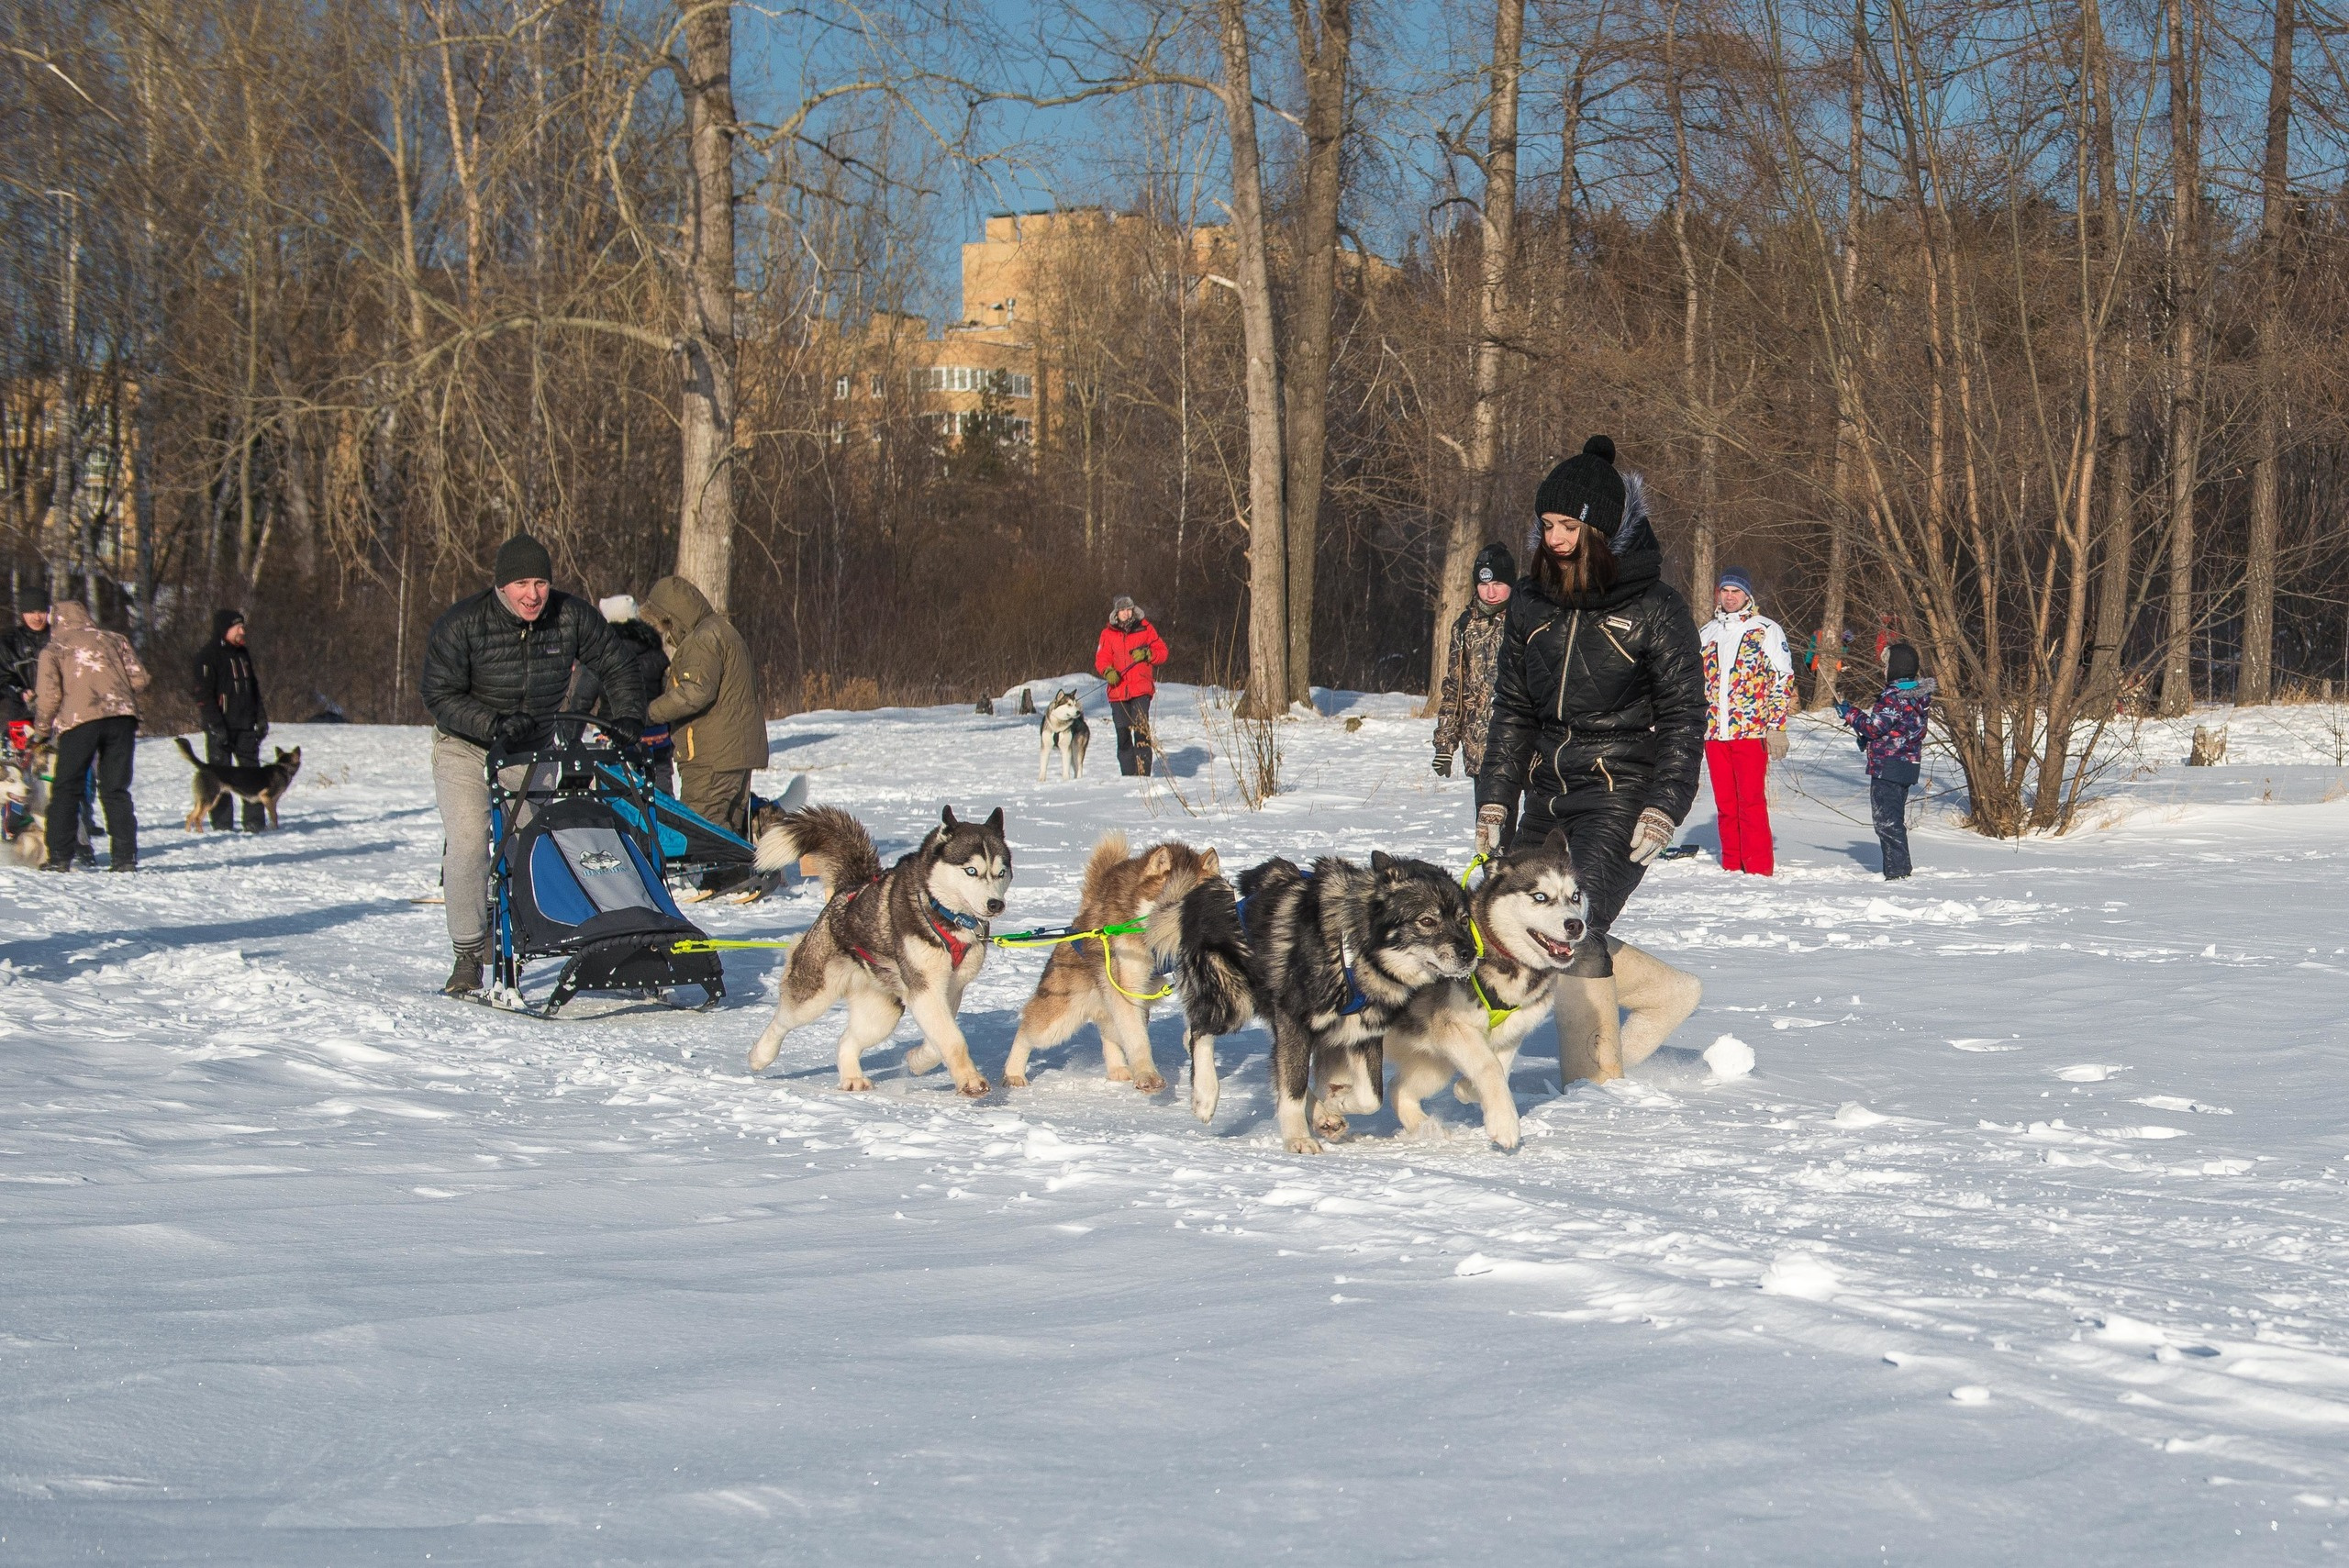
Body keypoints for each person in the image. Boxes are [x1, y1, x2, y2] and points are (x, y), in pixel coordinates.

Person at [1475, 435, 1705, 1082]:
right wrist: (1494, 799)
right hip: (1546, 790)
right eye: (1546, 524)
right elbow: (1513, 710)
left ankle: (1592, 1081)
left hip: (1618, 790)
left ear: (1599, 530)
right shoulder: (1529, 602)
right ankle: (1665, 992)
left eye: (1568, 527)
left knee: (1572, 925)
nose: (1552, 538)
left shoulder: (1655, 608)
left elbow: (1685, 717)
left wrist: (1663, 806)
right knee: (1507, 920)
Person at [420, 533, 645, 996]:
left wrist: (627, 715)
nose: (532, 595)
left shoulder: (570, 616)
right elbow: (438, 694)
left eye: (540, 583)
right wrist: (494, 723)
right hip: (466, 747)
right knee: (469, 842)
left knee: (533, 843)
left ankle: (530, 934)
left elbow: (617, 662)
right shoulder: (463, 623)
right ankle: (468, 952)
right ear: (502, 585)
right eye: (521, 584)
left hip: (530, 749)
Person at [638, 574, 766, 841]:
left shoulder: (702, 638)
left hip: (711, 757)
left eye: (664, 624)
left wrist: (649, 713)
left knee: (703, 832)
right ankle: (738, 867)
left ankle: (726, 870)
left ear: (673, 617)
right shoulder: (722, 631)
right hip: (734, 752)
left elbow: (695, 692)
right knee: (727, 832)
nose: (666, 633)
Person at [33, 601, 149, 872]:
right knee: (115, 788)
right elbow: (140, 679)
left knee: (67, 787)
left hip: (79, 720)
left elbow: (49, 696)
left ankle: (59, 856)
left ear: (55, 621)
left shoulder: (55, 648)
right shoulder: (115, 639)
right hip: (122, 718)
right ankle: (125, 857)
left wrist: (41, 731)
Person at [1698, 568, 1796, 876]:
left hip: (1751, 731)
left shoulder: (1766, 629)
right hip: (1715, 732)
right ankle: (1731, 865)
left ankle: (1758, 868)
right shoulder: (1706, 632)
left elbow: (1782, 678)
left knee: (1750, 801)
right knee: (1726, 804)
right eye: (1725, 591)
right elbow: (1694, 681)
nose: (1729, 597)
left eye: (1736, 592)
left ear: (1747, 595)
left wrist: (1776, 725)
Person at [1838, 642, 1934, 880]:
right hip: (1907, 766)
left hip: (1888, 767)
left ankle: (1898, 872)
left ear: (1896, 667)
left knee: (1886, 821)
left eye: (1886, 665)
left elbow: (1874, 727)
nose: (1883, 670)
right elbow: (1899, 730)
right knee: (1893, 817)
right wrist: (1869, 741)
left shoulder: (1892, 698)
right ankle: (1898, 868)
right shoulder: (1917, 697)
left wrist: (1851, 713)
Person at [1431, 541, 1515, 779]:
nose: (1491, 593)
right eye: (1484, 585)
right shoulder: (1464, 627)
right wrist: (1445, 746)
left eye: (1498, 584)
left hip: (1523, 750)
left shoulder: (1525, 621)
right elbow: (1454, 689)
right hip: (1479, 752)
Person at [578, 595, 674, 797]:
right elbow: (669, 694)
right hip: (656, 738)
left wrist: (570, 738)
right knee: (661, 800)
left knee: (615, 799)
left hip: (615, 736)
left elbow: (583, 699)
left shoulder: (601, 653)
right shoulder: (656, 652)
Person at [192, 608, 271, 831]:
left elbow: (254, 689)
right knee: (219, 776)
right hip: (221, 726)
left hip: (245, 725)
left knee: (253, 774)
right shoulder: (207, 656)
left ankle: (255, 823)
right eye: (238, 627)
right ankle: (222, 825)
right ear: (225, 629)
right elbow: (203, 695)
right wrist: (216, 725)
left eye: (242, 627)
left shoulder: (242, 653)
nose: (242, 631)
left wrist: (261, 718)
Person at [1095, 595, 1168, 776]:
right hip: (1118, 691)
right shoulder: (1107, 634)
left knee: (1141, 732)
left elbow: (1163, 652)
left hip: (1141, 689)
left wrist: (1148, 654)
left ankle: (1143, 776)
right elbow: (1102, 658)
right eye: (1122, 610)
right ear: (1116, 613)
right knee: (1123, 735)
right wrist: (1107, 671)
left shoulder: (1145, 628)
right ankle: (1128, 778)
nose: (1126, 613)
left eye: (1129, 609)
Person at [4, 596, 49, 725]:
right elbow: (3, 677)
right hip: (22, 714)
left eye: (41, 612)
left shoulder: (59, 638)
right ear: (23, 613)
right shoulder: (9, 642)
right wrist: (20, 691)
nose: (37, 617)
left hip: (57, 714)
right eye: (31, 612)